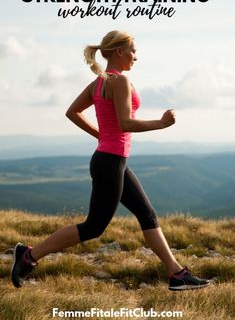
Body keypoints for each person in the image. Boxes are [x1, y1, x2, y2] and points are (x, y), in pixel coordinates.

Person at [11, 30, 211, 291]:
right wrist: (160, 124)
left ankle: (177, 274)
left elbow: (72, 112)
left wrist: (101, 136)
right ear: (119, 52)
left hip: (112, 159)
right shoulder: (120, 81)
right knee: (94, 226)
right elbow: (125, 122)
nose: (136, 57)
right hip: (110, 161)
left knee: (147, 214)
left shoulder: (98, 83)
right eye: (133, 51)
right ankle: (29, 255)